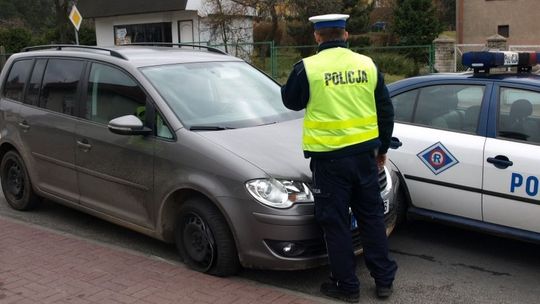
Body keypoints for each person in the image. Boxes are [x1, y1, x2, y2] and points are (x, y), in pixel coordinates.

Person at [281, 14, 398, 303]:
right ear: (346, 35)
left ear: (317, 37)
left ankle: (347, 286)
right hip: (365, 158)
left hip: (330, 162)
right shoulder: (367, 65)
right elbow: (386, 111)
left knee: (335, 223)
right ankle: (383, 281)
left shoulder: (307, 68)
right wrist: (382, 150)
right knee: (371, 218)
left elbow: (290, 101)